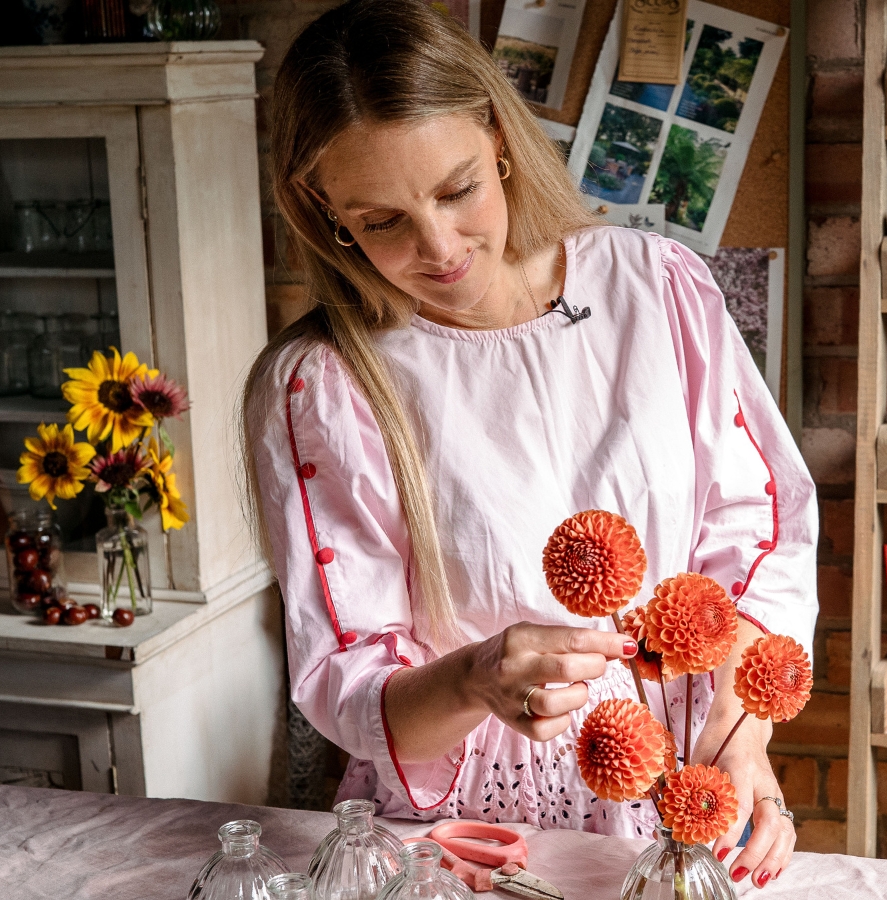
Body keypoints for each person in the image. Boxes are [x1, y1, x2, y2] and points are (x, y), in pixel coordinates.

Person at [243, 0, 817, 888]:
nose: (440, 249)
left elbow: (757, 531)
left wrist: (743, 747)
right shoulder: (323, 382)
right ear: (324, 210)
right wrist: (476, 677)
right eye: (382, 219)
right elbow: (348, 679)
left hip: (679, 778)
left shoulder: (656, 289)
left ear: (498, 136)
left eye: (457, 189)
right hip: (456, 820)